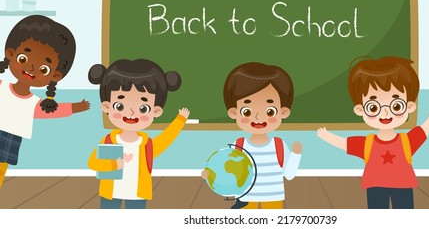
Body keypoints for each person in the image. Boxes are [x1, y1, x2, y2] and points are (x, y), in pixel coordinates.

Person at [316, 56, 429, 209]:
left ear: (409, 107)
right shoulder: (367, 144)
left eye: (396, 106)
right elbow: (345, 144)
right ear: (360, 110)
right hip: (375, 187)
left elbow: (424, 130)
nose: (385, 113)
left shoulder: (406, 141)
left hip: (403, 186)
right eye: (373, 107)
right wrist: (326, 136)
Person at [0, 15, 90, 188]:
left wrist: (75, 107)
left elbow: (51, 111)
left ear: (55, 76)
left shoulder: (33, 103)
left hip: (11, 139)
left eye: (43, 68)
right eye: (23, 59)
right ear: (11, 54)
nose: (31, 68)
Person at [87, 59, 190, 209]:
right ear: (106, 106)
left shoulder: (147, 144)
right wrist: (113, 164)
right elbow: (93, 162)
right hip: (110, 193)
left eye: (143, 108)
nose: (130, 112)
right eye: (119, 105)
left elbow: (166, 139)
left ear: (156, 111)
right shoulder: (109, 140)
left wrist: (179, 120)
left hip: (137, 194)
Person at [202, 62, 302, 209]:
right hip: (246, 199)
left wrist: (296, 154)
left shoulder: (279, 146)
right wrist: (209, 175)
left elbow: (289, 174)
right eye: (247, 111)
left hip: (273, 198)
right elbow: (227, 172)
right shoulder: (239, 145)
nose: (257, 116)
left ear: (283, 112)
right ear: (234, 113)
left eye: (270, 111)